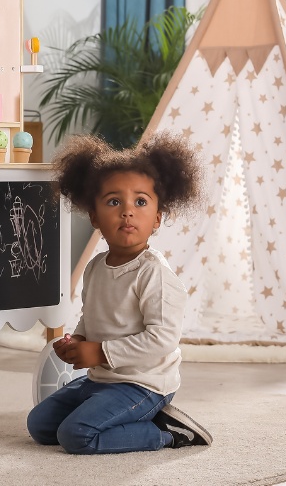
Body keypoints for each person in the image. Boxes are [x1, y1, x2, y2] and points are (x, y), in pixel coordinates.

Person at [27, 132, 212, 455]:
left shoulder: (153, 274)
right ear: (94, 216)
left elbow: (162, 340)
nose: (127, 211)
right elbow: (91, 315)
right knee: (40, 425)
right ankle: (114, 413)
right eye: (114, 202)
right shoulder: (96, 266)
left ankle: (165, 432)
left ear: (157, 218)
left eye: (140, 202)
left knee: (76, 435)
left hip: (144, 383)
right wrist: (78, 340)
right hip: (102, 379)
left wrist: (99, 353)